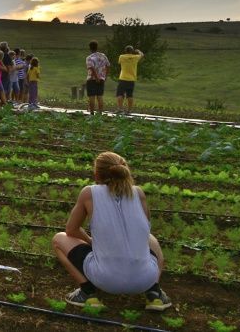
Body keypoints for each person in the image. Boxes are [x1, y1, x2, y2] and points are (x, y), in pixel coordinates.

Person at [52, 152, 171, 311]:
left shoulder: (89, 193)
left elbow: (71, 230)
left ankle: (87, 293)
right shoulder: (138, 193)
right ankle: (154, 293)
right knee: (150, 239)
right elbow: (144, 229)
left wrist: (90, 240)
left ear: (97, 174)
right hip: (145, 279)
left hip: (105, 279)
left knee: (59, 239)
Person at [116, 46, 144, 114]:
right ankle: (129, 110)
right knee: (130, 95)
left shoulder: (121, 57)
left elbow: (119, 63)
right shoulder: (136, 57)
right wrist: (138, 51)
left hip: (123, 78)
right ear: (132, 51)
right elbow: (142, 55)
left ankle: (120, 109)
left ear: (125, 51)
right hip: (131, 79)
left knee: (120, 94)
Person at [86, 40, 111, 115]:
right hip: (101, 79)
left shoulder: (89, 58)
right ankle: (100, 112)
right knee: (100, 96)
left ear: (90, 48)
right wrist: (105, 76)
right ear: (97, 47)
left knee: (92, 96)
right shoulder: (103, 56)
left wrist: (96, 78)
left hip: (92, 79)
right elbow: (108, 66)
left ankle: (92, 112)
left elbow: (92, 68)